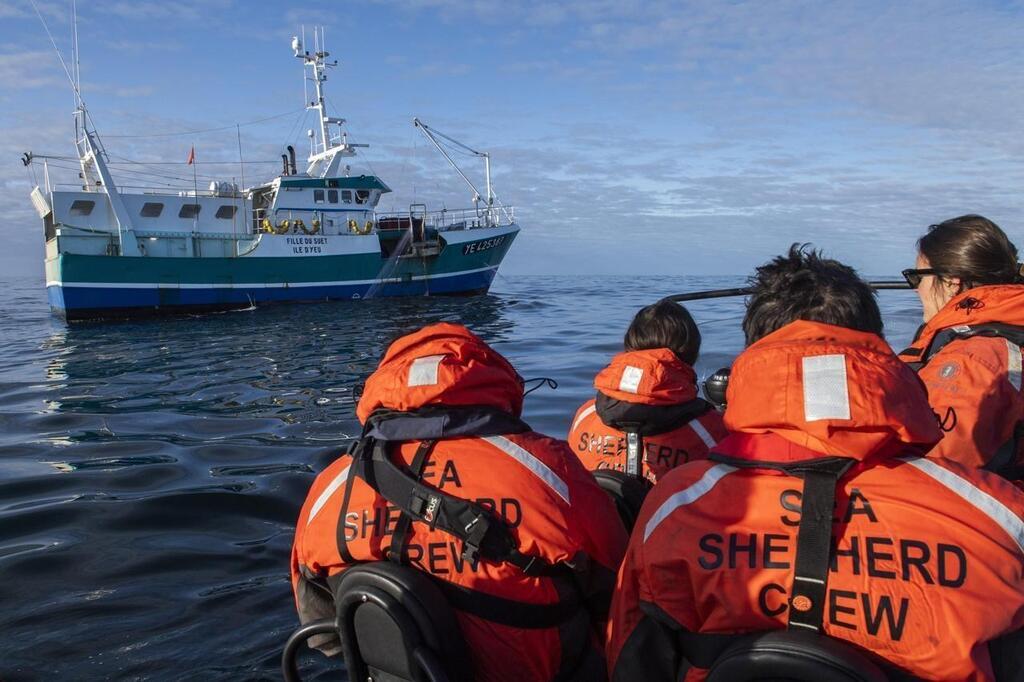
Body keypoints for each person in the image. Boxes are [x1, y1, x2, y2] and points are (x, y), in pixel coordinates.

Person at [607, 245, 1024, 681]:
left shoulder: (673, 508)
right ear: (876, 345)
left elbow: (629, 657)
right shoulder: (995, 519)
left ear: (753, 348)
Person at [291, 323, 628, 682]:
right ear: (491, 380)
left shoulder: (329, 487)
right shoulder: (548, 470)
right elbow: (622, 588)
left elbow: (323, 631)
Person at [898, 215, 1024, 476]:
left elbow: (938, 465)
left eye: (916, 277)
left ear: (951, 282)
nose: (914, 289)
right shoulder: (1007, 332)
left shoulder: (972, 359)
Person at [568, 300, 727, 483]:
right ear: (692, 354)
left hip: (600, 510)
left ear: (630, 346)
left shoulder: (585, 416)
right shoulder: (711, 429)